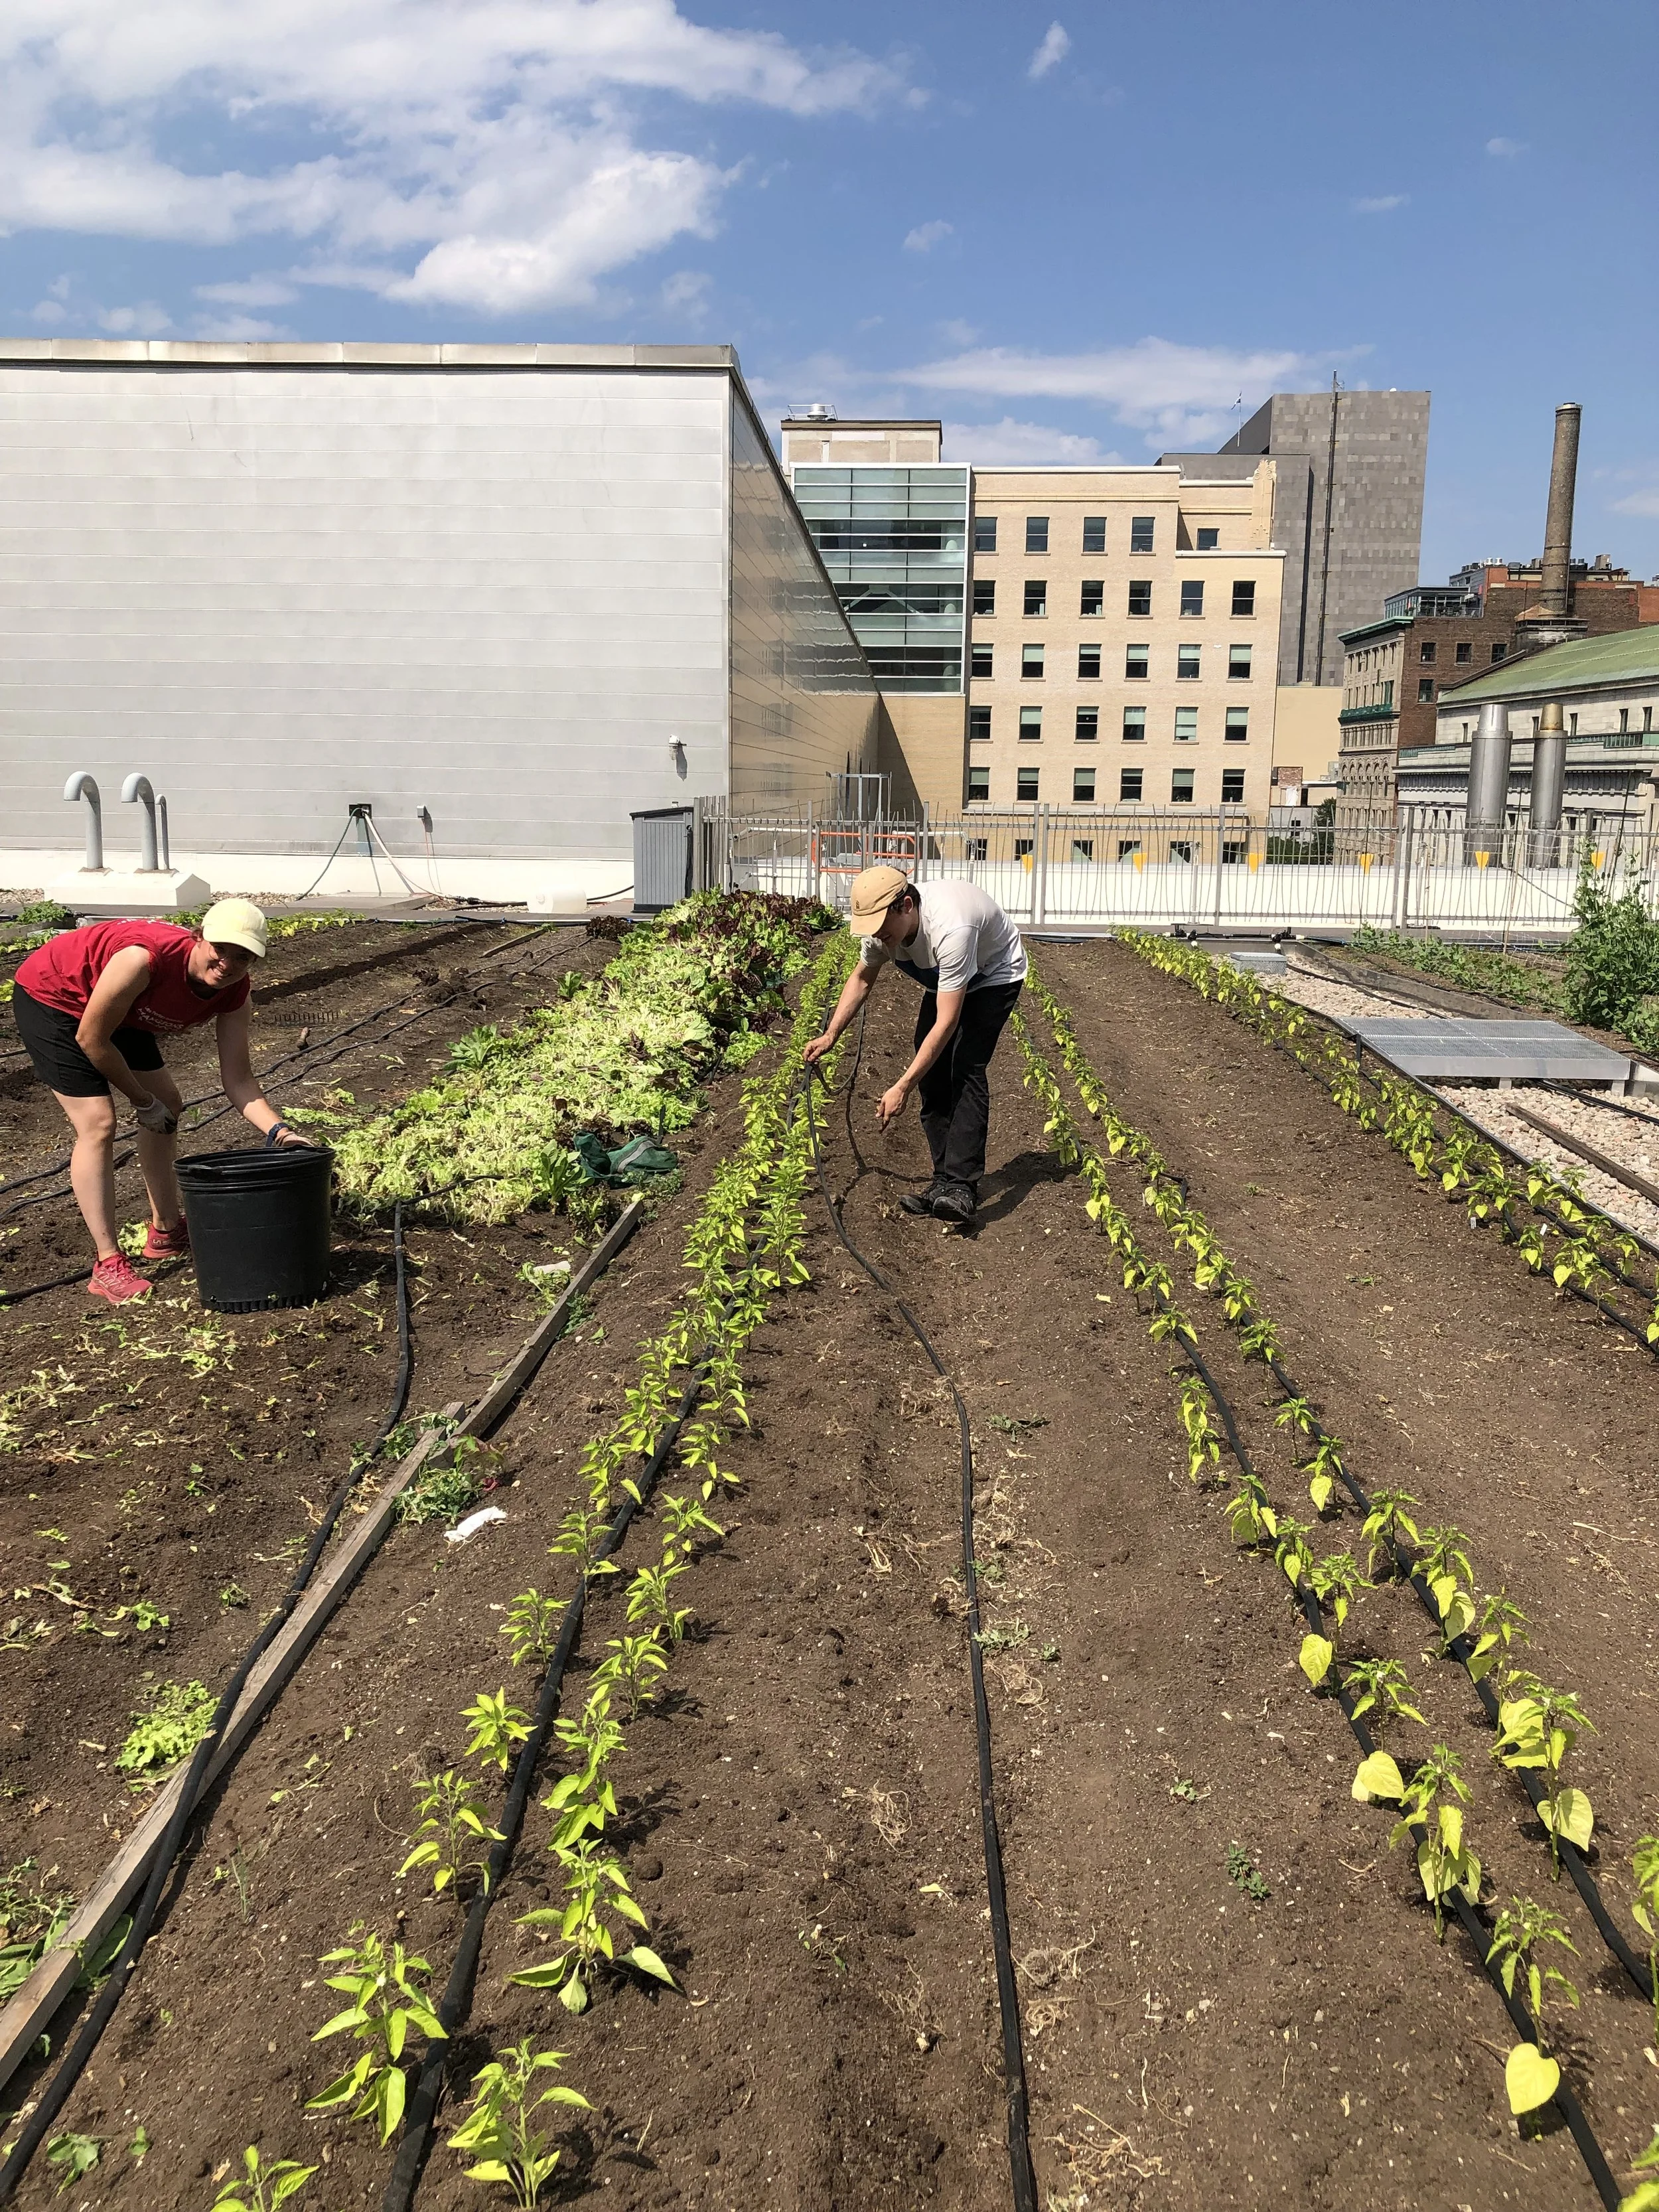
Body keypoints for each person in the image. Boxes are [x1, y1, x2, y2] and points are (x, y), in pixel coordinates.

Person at [11, 899, 312, 1302]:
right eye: (220, 948)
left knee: (168, 1104)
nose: (228, 963)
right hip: (57, 997)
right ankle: (108, 1263)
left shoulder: (236, 992)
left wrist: (281, 1133)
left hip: (126, 1006)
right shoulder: (144, 959)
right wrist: (140, 1099)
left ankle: (166, 1231)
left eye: (243, 957)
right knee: (98, 1122)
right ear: (199, 936)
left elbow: (239, 1079)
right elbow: (91, 1038)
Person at [804, 866, 1027, 1226]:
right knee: (933, 1074)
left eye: (882, 925)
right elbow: (861, 980)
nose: (877, 935)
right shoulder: (882, 932)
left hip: (994, 974)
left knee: (965, 1065)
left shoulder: (951, 927)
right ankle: (942, 1182)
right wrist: (831, 1034)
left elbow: (948, 1021)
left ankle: (962, 1186)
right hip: (947, 978)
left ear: (905, 905)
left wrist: (901, 1085)